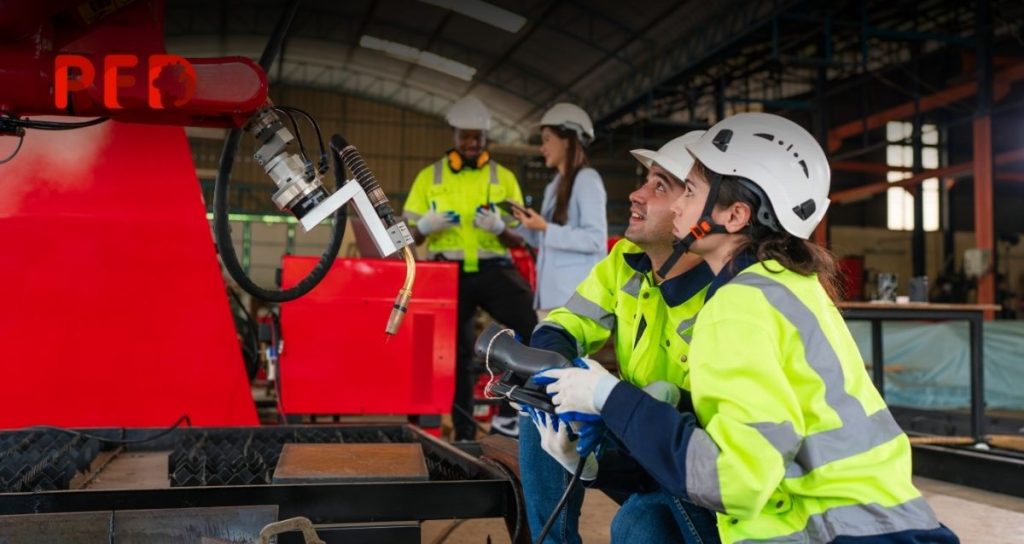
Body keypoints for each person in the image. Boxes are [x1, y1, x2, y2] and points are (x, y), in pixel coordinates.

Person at [535, 113, 960, 543]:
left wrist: (608, 396)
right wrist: (593, 466)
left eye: (693, 191)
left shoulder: (737, 306)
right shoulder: (789, 286)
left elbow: (734, 481)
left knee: (642, 523)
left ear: (735, 215)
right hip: (890, 528)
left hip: (824, 532)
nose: (678, 204)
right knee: (647, 520)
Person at [518, 132, 721, 543]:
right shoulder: (624, 264)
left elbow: (708, 450)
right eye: (644, 181)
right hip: (637, 429)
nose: (636, 195)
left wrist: (603, 450)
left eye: (659, 186)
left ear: (698, 211)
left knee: (641, 521)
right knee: (538, 396)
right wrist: (562, 373)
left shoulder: (726, 295)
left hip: (690, 459)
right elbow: (561, 325)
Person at [402, 96, 537, 441]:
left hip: (495, 271)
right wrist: (425, 228)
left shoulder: (504, 178)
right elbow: (406, 238)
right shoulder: (428, 177)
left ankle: (512, 414)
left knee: (532, 326)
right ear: (455, 134)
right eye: (466, 136)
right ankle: (463, 432)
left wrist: (499, 228)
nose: (472, 143)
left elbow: (520, 239)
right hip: (448, 275)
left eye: (478, 137)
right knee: (456, 354)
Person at [514, 103, 607, 312]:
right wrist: (514, 224)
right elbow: (543, 239)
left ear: (567, 140)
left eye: (547, 139)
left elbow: (594, 240)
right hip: (552, 298)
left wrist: (546, 228)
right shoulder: (554, 186)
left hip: (574, 299)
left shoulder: (587, 180)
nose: (542, 148)